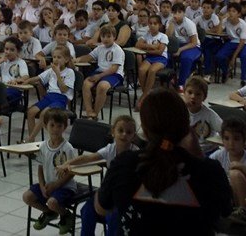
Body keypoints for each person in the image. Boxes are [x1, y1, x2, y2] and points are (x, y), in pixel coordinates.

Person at [96, 88, 233, 234]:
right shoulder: (209, 170)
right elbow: (225, 211)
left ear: (145, 129)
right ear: (185, 126)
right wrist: (199, 157)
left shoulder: (124, 163)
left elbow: (101, 208)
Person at [22, 108, 79, 233]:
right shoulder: (43, 146)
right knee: (27, 197)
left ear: (65, 127)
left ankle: (66, 215)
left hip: (65, 187)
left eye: (59, 126)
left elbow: (72, 172)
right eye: (52, 125)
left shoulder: (67, 148)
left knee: (52, 202)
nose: (55, 129)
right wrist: (42, 186)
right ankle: (49, 213)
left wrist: (57, 184)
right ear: (45, 126)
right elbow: (40, 168)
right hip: (48, 184)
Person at [211, 118, 246, 225]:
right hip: (229, 201)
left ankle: (245, 212)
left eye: (236, 139)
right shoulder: (219, 155)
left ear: (244, 140)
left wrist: (244, 169)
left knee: (235, 174)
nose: (231, 143)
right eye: (226, 138)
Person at [23, 45, 74, 143]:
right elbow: (38, 78)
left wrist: (58, 73)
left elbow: (63, 90)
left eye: (59, 57)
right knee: (30, 112)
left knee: (44, 113)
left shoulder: (69, 72)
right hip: (49, 97)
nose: (55, 59)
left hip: (61, 98)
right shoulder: (51, 70)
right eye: (54, 57)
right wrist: (25, 81)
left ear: (66, 59)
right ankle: (32, 141)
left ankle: (29, 139)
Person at [80, 25, 125, 120]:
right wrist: (76, 59)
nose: (105, 39)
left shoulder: (117, 50)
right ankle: (89, 112)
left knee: (102, 86)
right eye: (103, 36)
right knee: (86, 84)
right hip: (100, 72)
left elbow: (114, 69)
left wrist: (99, 76)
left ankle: (95, 114)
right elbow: (89, 57)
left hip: (114, 74)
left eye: (109, 36)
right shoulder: (100, 48)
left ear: (114, 37)